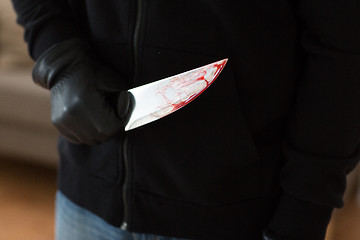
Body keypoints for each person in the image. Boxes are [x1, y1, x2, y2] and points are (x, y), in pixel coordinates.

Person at [11, 0, 360, 239]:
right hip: (84, 200)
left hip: (236, 218)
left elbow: (342, 52)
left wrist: (304, 214)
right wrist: (59, 58)